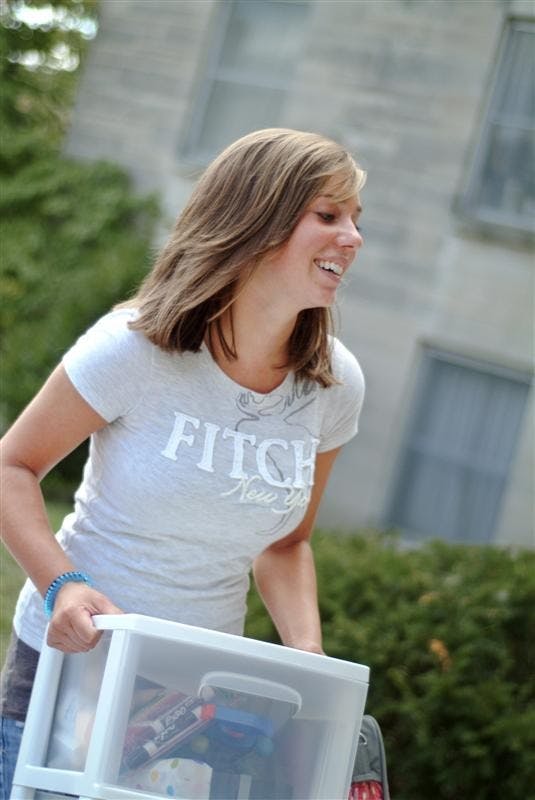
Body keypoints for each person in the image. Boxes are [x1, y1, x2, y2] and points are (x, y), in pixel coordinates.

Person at [0, 127, 366, 797]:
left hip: (199, 692)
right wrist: (62, 585)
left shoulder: (331, 385)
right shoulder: (136, 349)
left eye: (354, 219)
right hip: (79, 667)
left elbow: (286, 543)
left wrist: (305, 654)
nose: (352, 237)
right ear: (258, 217)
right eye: (327, 214)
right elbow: (12, 467)